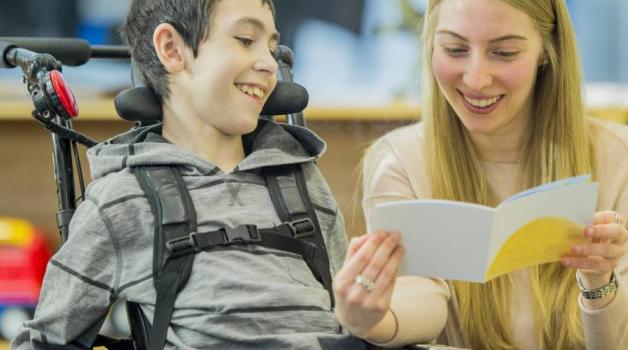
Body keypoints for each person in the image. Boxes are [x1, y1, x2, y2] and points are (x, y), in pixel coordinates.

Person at [11, 0, 367, 349]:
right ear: (172, 49)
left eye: (272, 47)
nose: (268, 64)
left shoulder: (302, 181)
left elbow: (350, 317)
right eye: (245, 40)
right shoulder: (123, 198)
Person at [333, 0, 628, 349]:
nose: (476, 78)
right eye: (455, 49)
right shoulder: (398, 160)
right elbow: (422, 295)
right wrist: (373, 318)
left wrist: (600, 281)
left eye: (505, 52)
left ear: (546, 50)